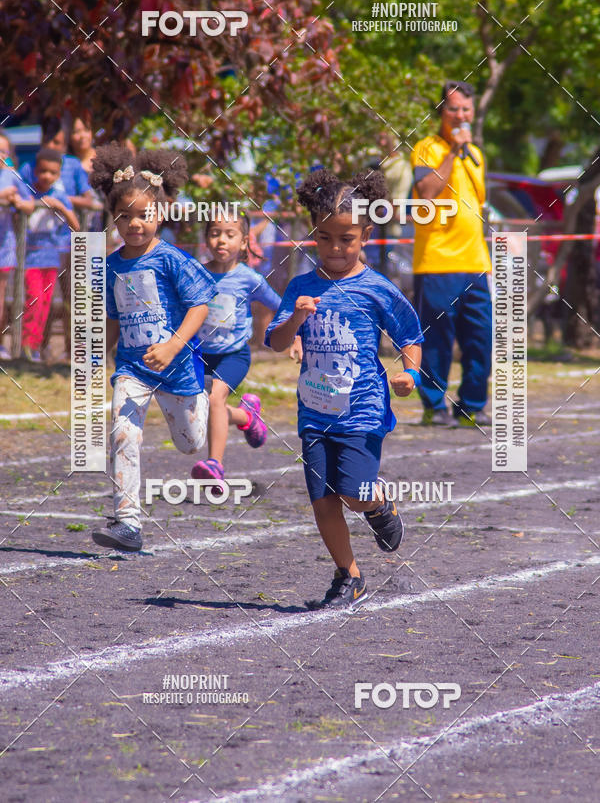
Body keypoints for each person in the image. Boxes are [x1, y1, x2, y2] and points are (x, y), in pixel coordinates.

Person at [265, 168, 423, 610]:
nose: (335, 248)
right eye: (325, 238)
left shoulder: (377, 288)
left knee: (353, 495)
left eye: (346, 239)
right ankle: (349, 576)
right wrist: (296, 319)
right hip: (314, 411)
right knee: (323, 500)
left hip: (362, 410)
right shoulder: (300, 287)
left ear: (366, 236)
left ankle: (379, 506)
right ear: (312, 234)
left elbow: (411, 336)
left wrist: (410, 375)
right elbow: (276, 341)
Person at [89, 143, 217, 553]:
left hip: (177, 370)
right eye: (124, 216)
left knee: (191, 444)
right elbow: (112, 317)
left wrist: (173, 346)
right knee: (123, 433)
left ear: (160, 214)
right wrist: (96, 355)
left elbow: (200, 305)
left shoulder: (171, 259)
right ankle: (128, 522)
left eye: (144, 214)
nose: (135, 224)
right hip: (132, 369)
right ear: (113, 218)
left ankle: (213, 402)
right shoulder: (110, 266)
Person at [191, 208, 299, 482]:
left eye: (230, 234)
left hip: (234, 355)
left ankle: (215, 464)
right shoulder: (195, 274)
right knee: (197, 410)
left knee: (215, 399)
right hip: (199, 355)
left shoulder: (249, 279)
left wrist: (296, 336)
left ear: (244, 242)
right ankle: (245, 416)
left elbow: (281, 307)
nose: (221, 240)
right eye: (215, 234)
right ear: (206, 239)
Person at [410, 80, 492, 427]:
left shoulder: (477, 155)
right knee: (437, 342)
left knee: (480, 340)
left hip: (475, 262)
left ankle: (472, 405)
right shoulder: (426, 148)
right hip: (437, 261)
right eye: (453, 108)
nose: (460, 115)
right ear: (441, 111)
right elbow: (426, 191)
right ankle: (435, 406)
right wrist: (452, 152)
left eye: (466, 109)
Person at [22, 149, 79, 362]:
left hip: (52, 257)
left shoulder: (59, 196)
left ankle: (36, 346)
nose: (47, 176)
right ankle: (27, 345)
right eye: (43, 171)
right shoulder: (27, 192)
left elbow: (76, 225)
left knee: (46, 303)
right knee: (34, 300)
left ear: (59, 174)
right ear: (35, 170)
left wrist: (60, 207)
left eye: (52, 172)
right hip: (30, 258)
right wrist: (29, 204)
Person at [0, 131, 34, 359]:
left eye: (4, 152)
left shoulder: (11, 176)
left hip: (4, 246)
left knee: (1, 297)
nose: (1, 156)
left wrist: (18, 202)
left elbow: (30, 204)